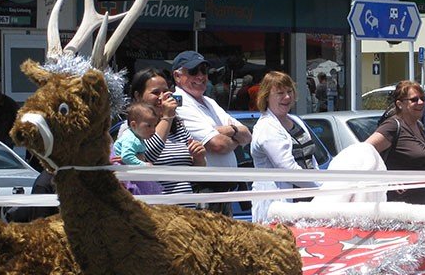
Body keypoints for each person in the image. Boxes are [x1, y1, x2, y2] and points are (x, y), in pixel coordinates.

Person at [172, 51, 252, 216]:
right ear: (177, 76)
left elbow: (247, 134)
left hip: (224, 193)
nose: (201, 76)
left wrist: (226, 131)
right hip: (205, 192)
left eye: (204, 71)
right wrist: (233, 134)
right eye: (193, 71)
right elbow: (218, 145)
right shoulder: (179, 104)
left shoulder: (210, 102)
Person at [250, 71, 320, 222]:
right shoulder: (267, 127)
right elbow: (288, 170)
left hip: (306, 201)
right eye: (280, 93)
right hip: (278, 206)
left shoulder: (295, 120)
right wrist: (322, 189)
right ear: (266, 97)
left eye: (290, 91)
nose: (287, 97)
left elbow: (311, 159)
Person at [127, 68, 206, 200]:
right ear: (138, 96)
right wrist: (167, 117)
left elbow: (196, 174)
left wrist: (199, 158)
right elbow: (149, 155)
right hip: (155, 212)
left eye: (165, 91)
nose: (162, 97)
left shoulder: (178, 126)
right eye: (155, 93)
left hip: (186, 211)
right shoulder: (131, 128)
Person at [366, 81, 425, 204]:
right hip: (398, 207)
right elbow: (364, 151)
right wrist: (388, 179)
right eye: (414, 99)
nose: (421, 103)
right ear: (400, 104)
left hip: (419, 205)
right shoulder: (393, 126)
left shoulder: (419, 125)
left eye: (423, 98)